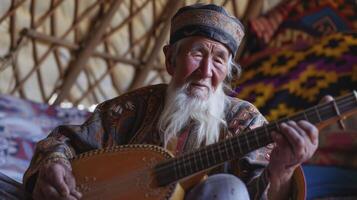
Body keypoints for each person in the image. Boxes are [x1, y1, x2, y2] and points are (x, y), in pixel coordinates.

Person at [23, 3, 319, 200]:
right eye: (197, 54)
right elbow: (65, 139)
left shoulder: (245, 121)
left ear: (228, 72)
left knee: (226, 188)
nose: (206, 71)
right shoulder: (136, 107)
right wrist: (55, 163)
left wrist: (281, 171)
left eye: (218, 60)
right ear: (170, 59)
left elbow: (258, 193)